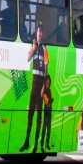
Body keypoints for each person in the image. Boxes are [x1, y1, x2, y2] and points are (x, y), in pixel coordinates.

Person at [20, 25, 49, 153]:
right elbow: (28, 58)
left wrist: (44, 86)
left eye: (42, 32)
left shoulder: (45, 48)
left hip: (41, 82)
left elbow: (46, 68)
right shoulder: (34, 46)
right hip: (34, 82)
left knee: (39, 115)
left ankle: (36, 145)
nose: (40, 34)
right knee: (30, 113)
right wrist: (33, 47)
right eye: (39, 32)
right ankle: (26, 140)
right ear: (36, 33)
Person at [39, 74, 54, 152]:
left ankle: (47, 143)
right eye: (47, 82)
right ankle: (41, 146)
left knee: (49, 129)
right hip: (46, 111)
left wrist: (49, 101)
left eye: (49, 82)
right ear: (45, 83)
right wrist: (49, 101)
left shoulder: (50, 90)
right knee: (44, 129)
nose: (48, 84)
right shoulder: (44, 90)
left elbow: (52, 98)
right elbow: (47, 101)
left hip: (49, 110)